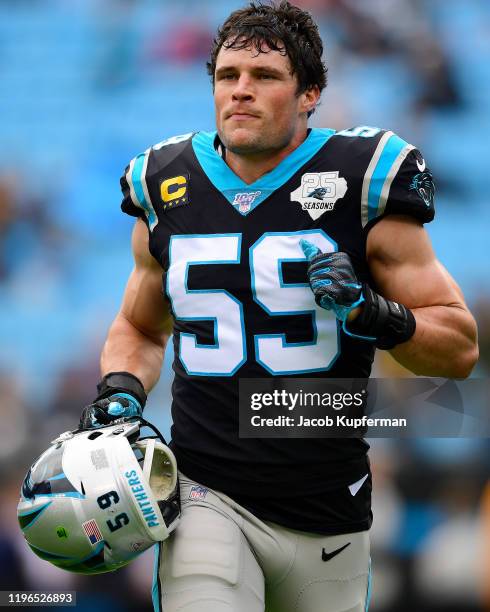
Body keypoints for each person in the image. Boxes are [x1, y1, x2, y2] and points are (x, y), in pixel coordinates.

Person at [79, 2, 478, 611]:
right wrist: (120, 388)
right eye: (227, 76)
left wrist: (376, 315)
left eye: (265, 77)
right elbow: (139, 324)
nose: (241, 91)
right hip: (207, 496)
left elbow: (459, 349)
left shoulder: (362, 177)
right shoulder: (166, 182)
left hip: (330, 510)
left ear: (310, 92)